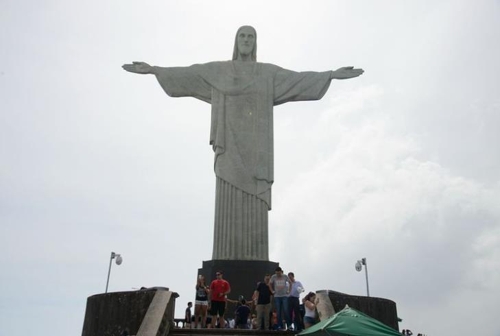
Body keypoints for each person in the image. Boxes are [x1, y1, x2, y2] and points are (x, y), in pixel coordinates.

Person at [122, 26, 364, 262]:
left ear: (255, 42)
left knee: (255, 194)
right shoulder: (219, 71)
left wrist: (330, 75)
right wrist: (155, 70)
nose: (246, 40)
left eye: (251, 36)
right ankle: (226, 254)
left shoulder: (267, 73)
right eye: (242, 36)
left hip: (257, 149)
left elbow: (297, 80)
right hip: (228, 144)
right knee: (227, 190)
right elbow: (189, 74)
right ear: (236, 41)